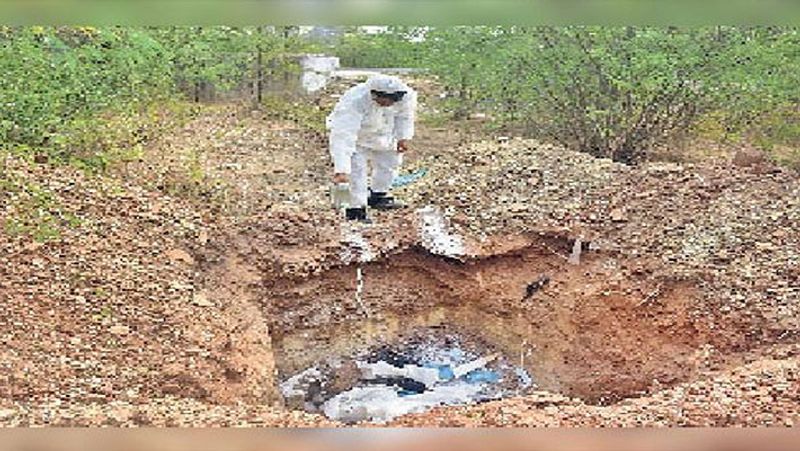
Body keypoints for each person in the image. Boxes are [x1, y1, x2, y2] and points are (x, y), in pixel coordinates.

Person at [326, 74, 417, 222]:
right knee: (357, 172)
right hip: (357, 138)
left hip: (385, 134)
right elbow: (343, 135)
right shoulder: (354, 101)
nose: (389, 103)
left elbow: (405, 116)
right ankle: (355, 210)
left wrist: (403, 137)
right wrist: (341, 170)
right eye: (385, 99)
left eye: (393, 99)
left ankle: (378, 196)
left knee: (390, 164)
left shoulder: (406, 96)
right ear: (374, 94)